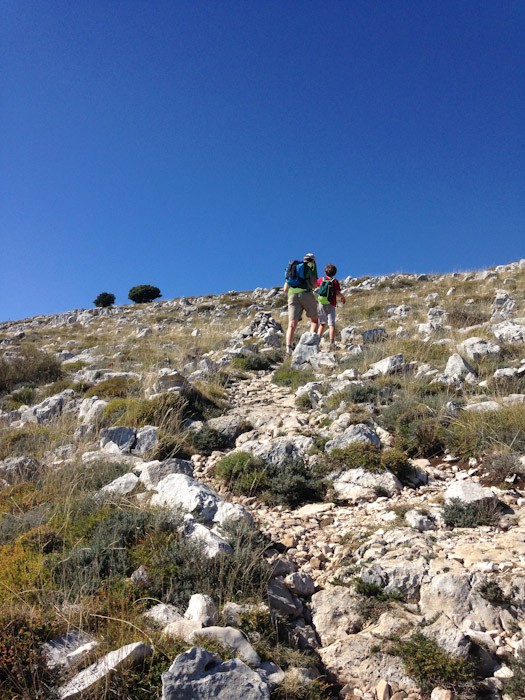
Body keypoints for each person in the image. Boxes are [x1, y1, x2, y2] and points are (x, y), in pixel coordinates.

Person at [283, 253, 319, 355]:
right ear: (313, 260)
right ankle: (311, 346)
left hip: (292, 295)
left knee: (292, 324)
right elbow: (314, 283)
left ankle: (288, 350)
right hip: (306, 294)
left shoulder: (293, 267)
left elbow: (285, 289)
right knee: (314, 320)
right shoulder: (311, 266)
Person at [316, 263, 346, 350]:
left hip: (321, 303)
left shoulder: (321, 279)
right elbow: (337, 292)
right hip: (331, 303)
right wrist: (343, 297)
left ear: (325, 272)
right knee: (331, 324)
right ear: (335, 273)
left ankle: (316, 342)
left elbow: (316, 286)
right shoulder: (335, 281)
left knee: (322, 323)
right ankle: (332, 344)